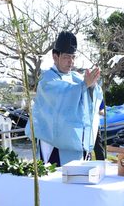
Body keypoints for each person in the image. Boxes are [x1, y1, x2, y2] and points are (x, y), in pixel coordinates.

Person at [30, 31, 103, 166]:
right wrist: (84, 86)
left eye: (73, 57)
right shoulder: (47, 79)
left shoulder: (76, 77)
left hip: (75, 141)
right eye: (66, 57)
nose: (71, 62)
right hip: (53, 143)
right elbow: (62, 94)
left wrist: (91, 87)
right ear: (55, 56)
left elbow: (92, 95)